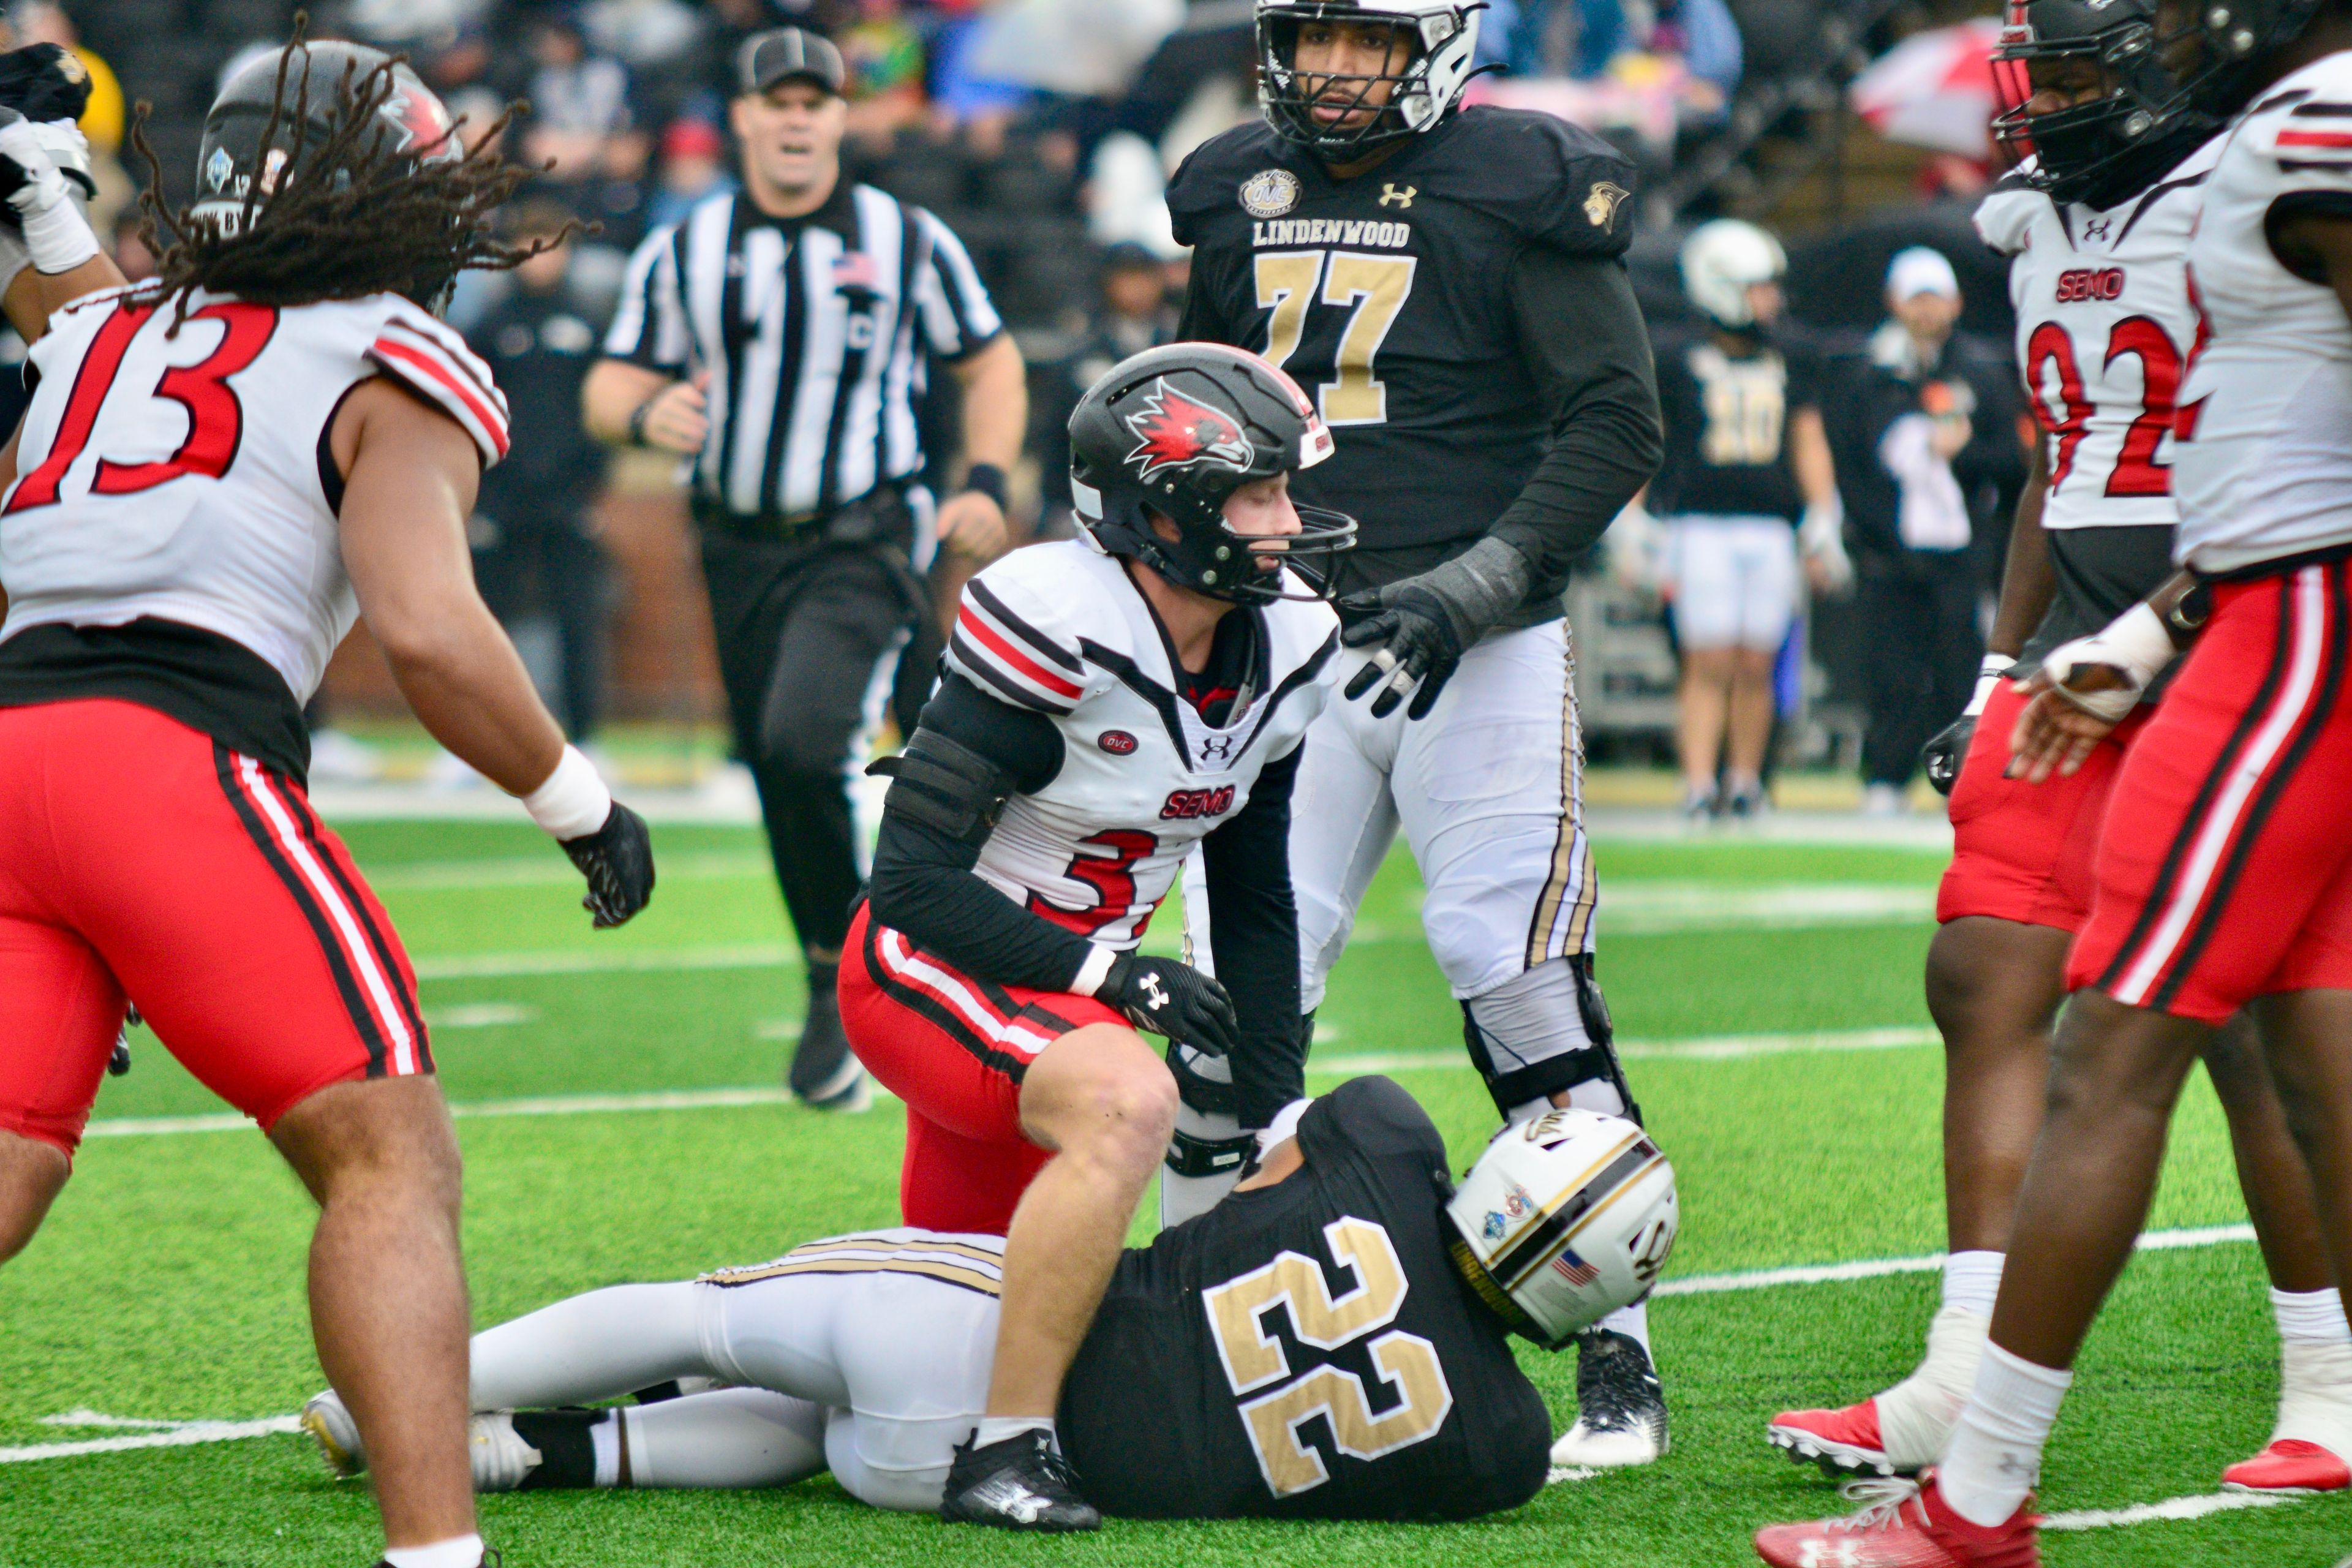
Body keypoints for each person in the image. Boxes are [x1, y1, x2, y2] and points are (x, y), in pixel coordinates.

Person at [0, 40, 655, 1568]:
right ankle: (437, 1553)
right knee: (388, 1155)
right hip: (172, 760)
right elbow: (426, 628)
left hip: (12, 747)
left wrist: (41, 199)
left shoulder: (106, 327)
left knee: (11, 1160)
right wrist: (574, 798)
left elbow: (79, 306)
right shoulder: (389, 347)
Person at [1757, 0, 2352, 1559]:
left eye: (2091, 64)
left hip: (2246, 618)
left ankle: (2314, 1384)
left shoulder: (2276, 150)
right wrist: (1998, 662)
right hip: (2127, 628)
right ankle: (1963, 1389)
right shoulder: (2032, 221)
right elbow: (2050, 457)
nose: (2055, 100)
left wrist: (2179, 614)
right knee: (1994, 966)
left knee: (2224, 1023)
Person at [1164, 0, 1668, 1469]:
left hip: (1478, 637)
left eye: (1366, 46)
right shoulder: (1228, 186)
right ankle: (1189, 1323)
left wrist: (1483, 577)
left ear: (1436, 48)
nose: (1331, 72)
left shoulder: (1516, 179)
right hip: (1284, 638)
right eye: (1312, 39)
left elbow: (1615, 420)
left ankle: (1617, 1362)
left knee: (1510, 976)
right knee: (1223, 996)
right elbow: (1194, 414)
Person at [300, 1076, 1677, 1525]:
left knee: (704, 1312)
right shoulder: (1498, 1452)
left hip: (1003, 1351)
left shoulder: (1386, 1140)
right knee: (809, 1404)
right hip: (946, 1472)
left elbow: (1260, 1165)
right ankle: (553, 1451)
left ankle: (390, 1395)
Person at [842, 342, 1357, 1528]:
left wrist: (1279, 1106)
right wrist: (1111, 974)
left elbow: (1256, 889)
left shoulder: (1281, 646)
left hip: (1063, 1007)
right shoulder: (1058, 621)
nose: (1288, 520)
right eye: (1258, 493)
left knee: (923, 1354)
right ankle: (1009, 1456)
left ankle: (553, 1430)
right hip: (934, 969)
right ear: (1162, 515)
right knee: (1133, 1100)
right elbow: (910, 881)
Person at [584, 27, 1026, 1110]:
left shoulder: (904, 238)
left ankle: (879, 963)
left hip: (863, 535)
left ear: (839, 119)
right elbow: (607, 385)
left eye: (813, 101)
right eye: (773, 100)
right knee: (776, 765)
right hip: (735, 543)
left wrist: (983, 478)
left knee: (805, 734)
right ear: (740, 117)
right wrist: (648, 410)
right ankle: (833, 971)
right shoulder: (687, 248)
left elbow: (990, 359)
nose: (794, 118)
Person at [1646, 218, 1845, 819]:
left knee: (1757, 661)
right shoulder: (1678, 358)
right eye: (1759, 287)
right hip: (1699, 523)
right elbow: (1648, 440)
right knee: (1707, 659)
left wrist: (1822, 516)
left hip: (1770, 525)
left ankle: (1745, 781)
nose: (1772, 300)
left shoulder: (1793, 354)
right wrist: (1634, 524)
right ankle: (1699, 783)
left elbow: (1808, 437)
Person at [1828, 247, 2024, 815]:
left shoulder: (1981, 371)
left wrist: (1964, 456)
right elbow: (1851, 461)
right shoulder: (1868, 371)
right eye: (1916, 298)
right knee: (1890, 666)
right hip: (1890, 554)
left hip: (1961, 553)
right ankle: (1885, 777)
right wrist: (1875, 532)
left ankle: (1958, 776)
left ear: (1956, 302)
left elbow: (2011, 464)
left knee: (1960, 664)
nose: (1927, 310)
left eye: (1936, 297)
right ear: (1894, 302)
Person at [464, 198, 610, 746]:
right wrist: (481, 492)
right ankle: (480, 740)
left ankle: (586, 737)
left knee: (579, 620)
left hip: (568, 498)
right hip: (502, 498)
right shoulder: (490, 328)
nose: (537, 259)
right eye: (526, 246)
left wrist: (592, 485)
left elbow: (602, 412)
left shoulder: (588, 326)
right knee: (484, 623)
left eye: (549, 247)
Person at [1030, 242, 1178, 540]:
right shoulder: (1079, 355)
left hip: (1167, 501)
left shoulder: (1181, 349)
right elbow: (1058, 437)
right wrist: (1054, 503)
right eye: (1126, 277)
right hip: (1088, 501)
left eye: (1144, 277)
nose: (1136, 288)